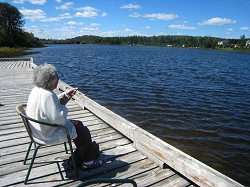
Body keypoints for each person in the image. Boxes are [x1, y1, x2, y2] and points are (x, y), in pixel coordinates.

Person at [26, 63, 102, 169]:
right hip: (47, 135)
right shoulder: (48, 95)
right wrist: (63, 104)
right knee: (82, 130)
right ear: (51, 81)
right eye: (57, 78)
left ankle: (84, 151)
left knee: (78, 125)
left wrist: (65, 95)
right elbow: (60, 120)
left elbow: (50, 105)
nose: (58, 80)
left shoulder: (37, 90)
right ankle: (88, 162)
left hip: (37, 131)